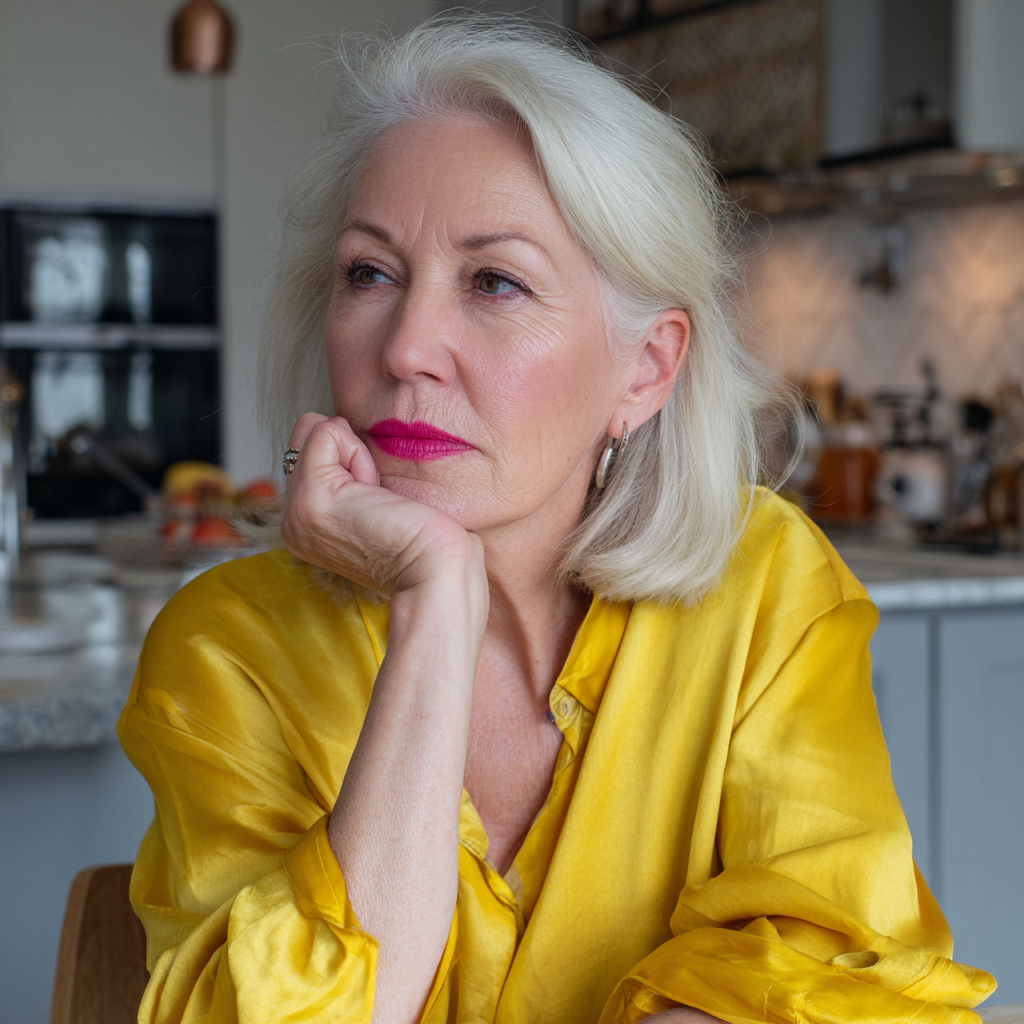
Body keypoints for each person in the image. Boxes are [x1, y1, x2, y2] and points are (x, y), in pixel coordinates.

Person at [118, 15, 995, 1024]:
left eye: (494, 281)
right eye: (370, 273)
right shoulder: (228, 650)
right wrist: (435, 607)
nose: (407, 347)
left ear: (646, 368)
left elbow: (840, 964)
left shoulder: (764, 590)